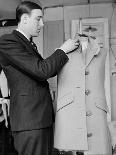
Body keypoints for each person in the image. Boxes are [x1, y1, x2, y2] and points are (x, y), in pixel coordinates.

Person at [0, 1, 79, 155]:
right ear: (24, 19)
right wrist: (62, 50)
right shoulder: (8, 41)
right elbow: (42, 70)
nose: (42, 24)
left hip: (40, 119)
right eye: (38, 19)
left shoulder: (28, 44)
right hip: (30, 122)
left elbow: (42, 69)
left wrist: (59, 54)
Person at [54, 34, 112, 155]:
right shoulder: (61, 52)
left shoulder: (103, 52)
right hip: (69, 114)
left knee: (98, 149)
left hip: (96, 114)